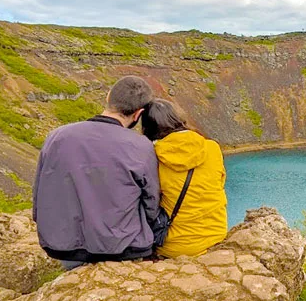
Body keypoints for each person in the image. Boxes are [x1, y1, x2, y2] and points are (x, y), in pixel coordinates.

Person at [33, 76, 160, 269]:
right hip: (121, 249)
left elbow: (39, 192)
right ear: (138, 114)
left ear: (108, 97)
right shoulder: (140, 145)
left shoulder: (57, 136)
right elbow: (151, 202)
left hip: (65, 246)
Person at [141, 99, 228, 258]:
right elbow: (219, 183)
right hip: (216, 235)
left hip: (175, 247)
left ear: (147, 128)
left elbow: (149, 201)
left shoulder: (152, 158)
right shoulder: (212, 148)